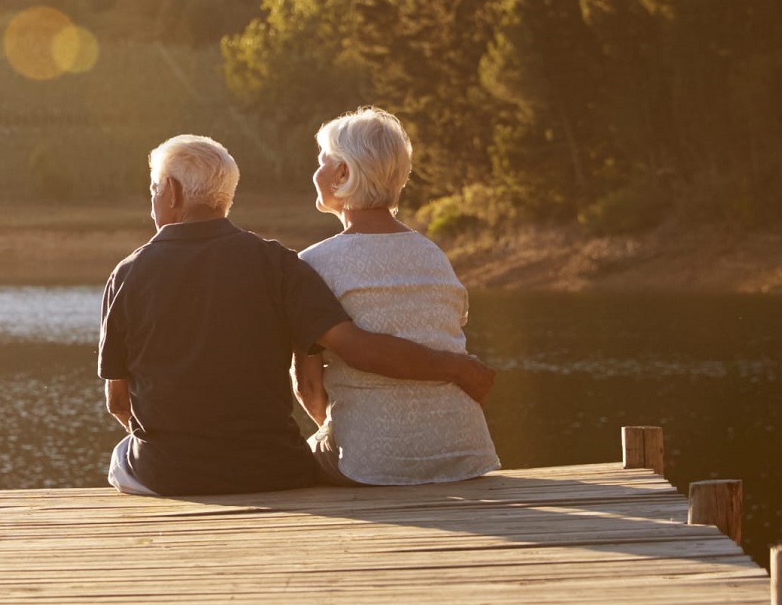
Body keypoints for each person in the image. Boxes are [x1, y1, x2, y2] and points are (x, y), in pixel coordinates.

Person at [100, 134, 493, 496]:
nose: (153, 201)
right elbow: (348, 350)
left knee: (121, 457)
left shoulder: (127, 274)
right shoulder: (280, 264)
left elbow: (118, 403)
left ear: (171, 193)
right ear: (226, 196)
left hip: (169, 473)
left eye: (153, 190)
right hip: (274, 469)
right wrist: (456, 367)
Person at [297, 107, 500, 486]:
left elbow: (307, 387)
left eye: (322, 162)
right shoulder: (433, 255)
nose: (316, 173)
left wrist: (341, 433)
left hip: (371, 465)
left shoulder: (313, 263)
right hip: (464, 455)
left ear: (343, 173)